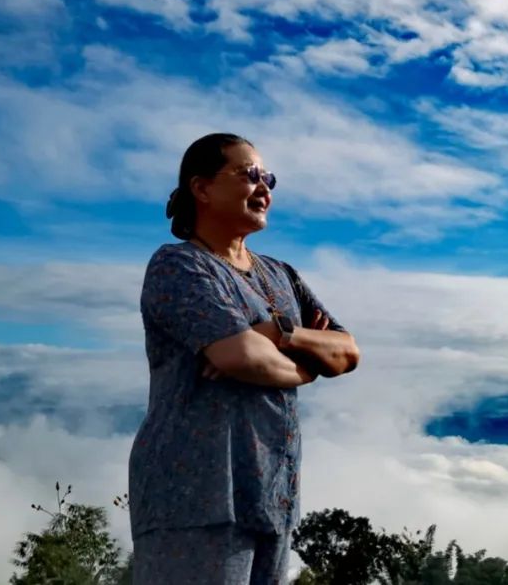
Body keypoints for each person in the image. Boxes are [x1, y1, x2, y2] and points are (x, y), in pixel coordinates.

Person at [129, 133, 361, 584]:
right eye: (249, 174)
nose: (265, 188)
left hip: (274, 496)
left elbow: (348, 350)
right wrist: (309, 364)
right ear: (201, 188)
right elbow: (243, 357)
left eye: (268, 178)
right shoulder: (180, 266)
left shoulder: (282, 274)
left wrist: (281, 332)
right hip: (196, 497)